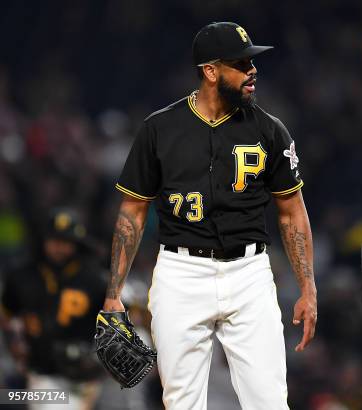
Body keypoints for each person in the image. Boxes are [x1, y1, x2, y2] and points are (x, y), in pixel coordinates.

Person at [101, 21, 317, 409]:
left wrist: (308, 287)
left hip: (249, 273)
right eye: (241, 63)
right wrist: (114, 293)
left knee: (270, 402)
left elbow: (291, 211)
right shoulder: (160, 129)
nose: (252, 71)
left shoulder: (270, 130)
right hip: (181, 274)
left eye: (253, 62)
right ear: (211, 71)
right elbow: (132, 212)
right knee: (181, 402)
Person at [1, 208, 107, 409]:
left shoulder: (95, 280)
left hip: (87, 376)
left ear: (77, 244)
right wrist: (15, 342)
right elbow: (8, 315)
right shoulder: (22, 277)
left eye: (66, 242)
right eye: (54, 240)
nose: (59, 247)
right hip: (44, 373)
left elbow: (115, 323)